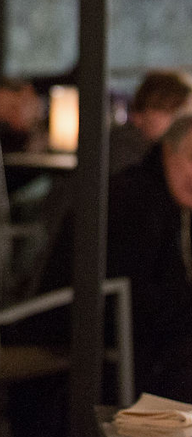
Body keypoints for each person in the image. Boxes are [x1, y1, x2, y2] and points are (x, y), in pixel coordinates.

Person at [106, 113, 192, 402]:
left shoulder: (162, 198)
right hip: (85, 334)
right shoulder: (137, 199)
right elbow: (138, 300)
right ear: (168, 150)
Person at [109, 69, 192, 175]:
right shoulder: (122, 148)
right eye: (170, 111)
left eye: (185, 114)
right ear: (138, 115)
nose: (179, 122)